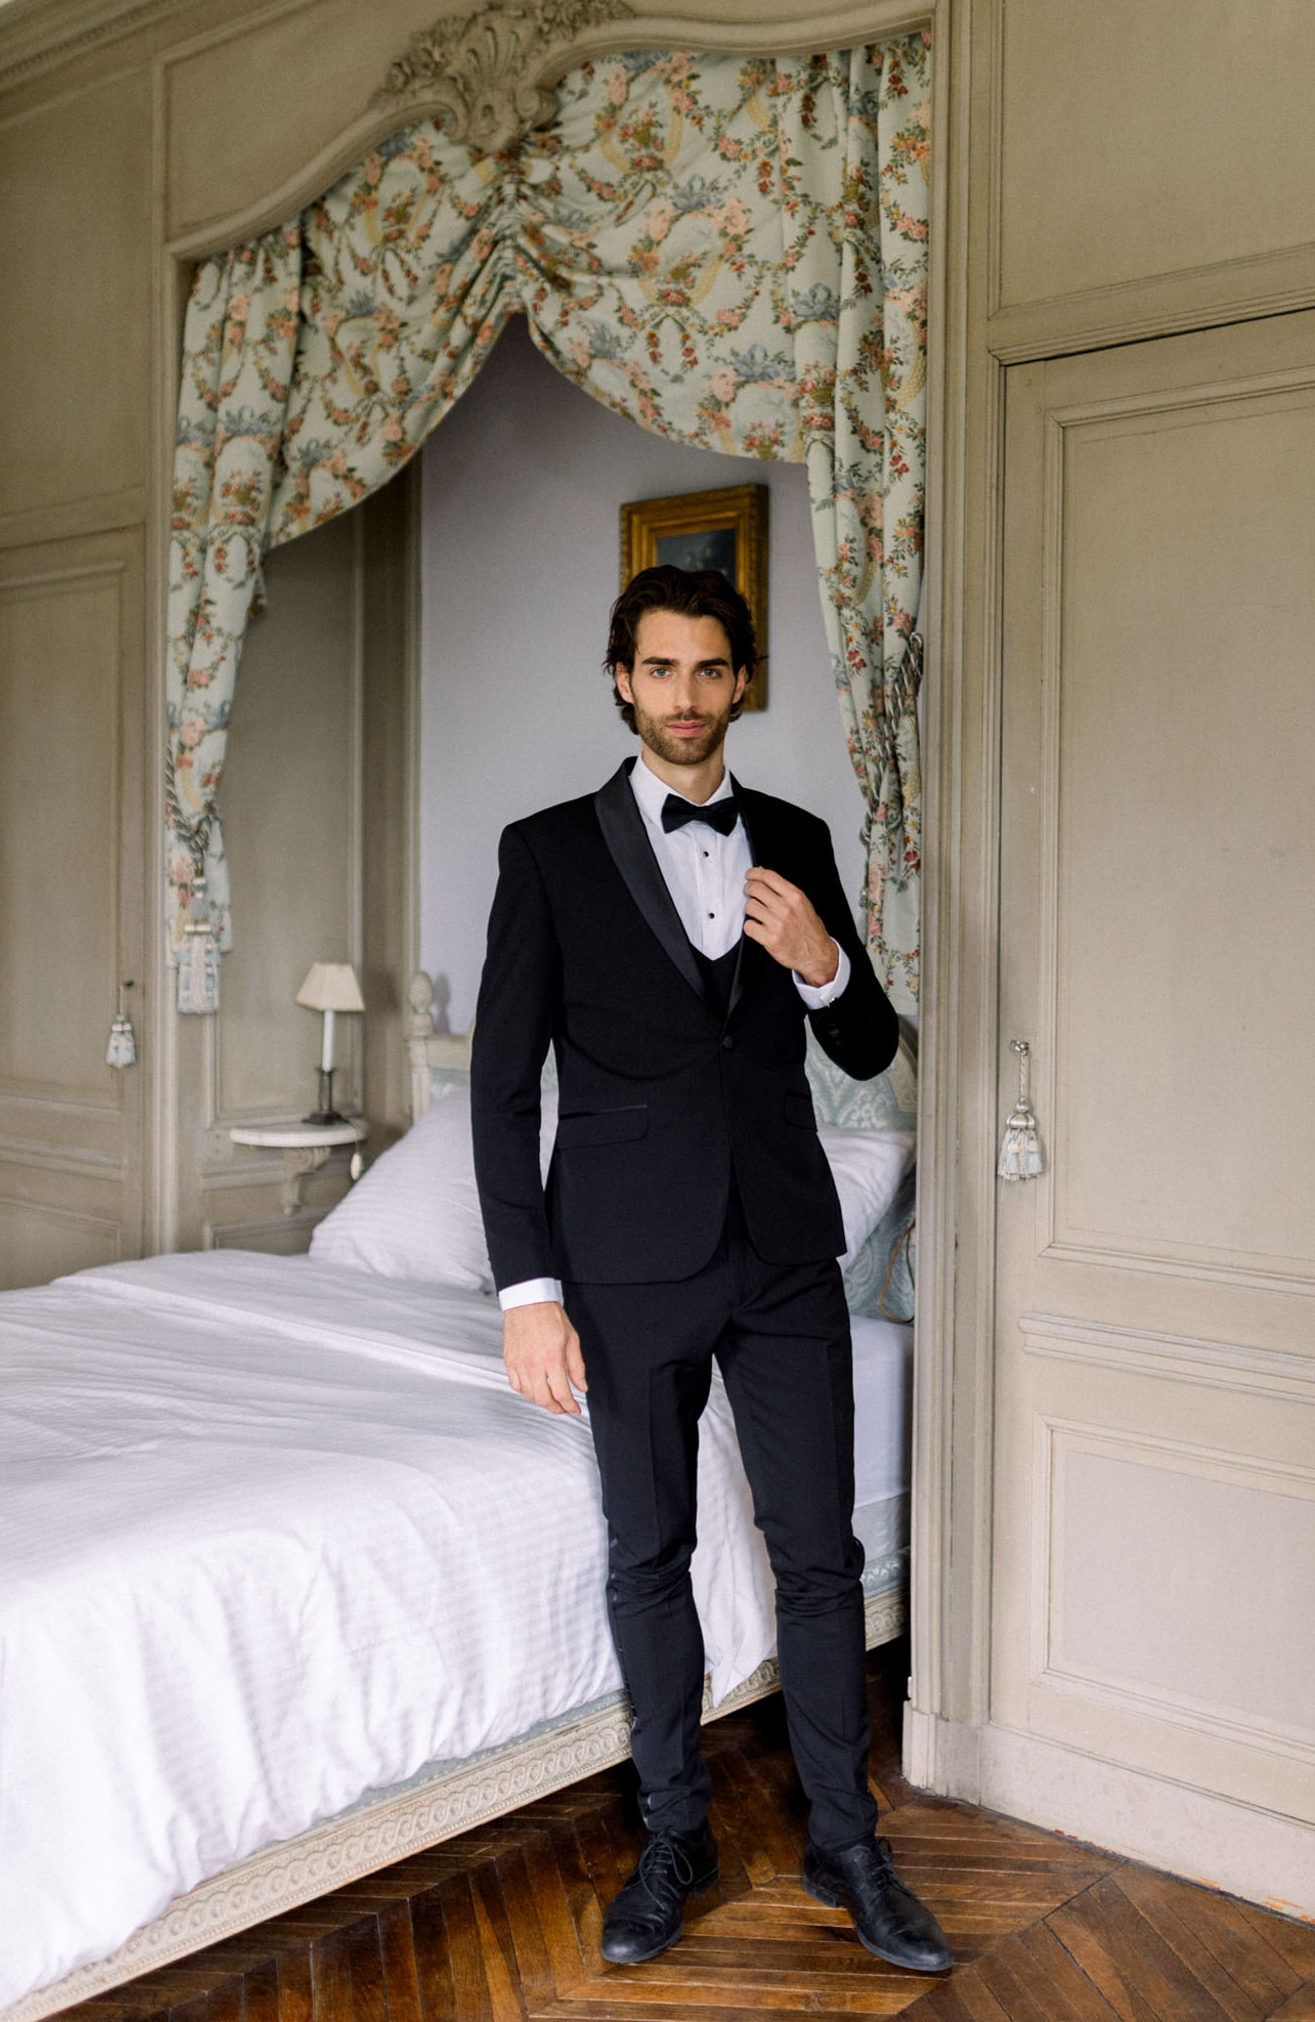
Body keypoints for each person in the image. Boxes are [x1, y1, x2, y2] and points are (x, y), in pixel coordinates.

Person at [470, 564, 951, 1976]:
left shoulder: (796, 833)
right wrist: (527, 1295)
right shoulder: (547, 851)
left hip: (787, 1251)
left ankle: (845, 1843)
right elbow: (501, 1093)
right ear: (622, 679)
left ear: (741, 682)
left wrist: (817, 963)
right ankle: (671, 1832)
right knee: (648, 1553)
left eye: (710, 670)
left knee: (820, 1556)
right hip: (621, 1269)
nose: (685, 697)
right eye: (660, 670)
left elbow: (863, 1049)